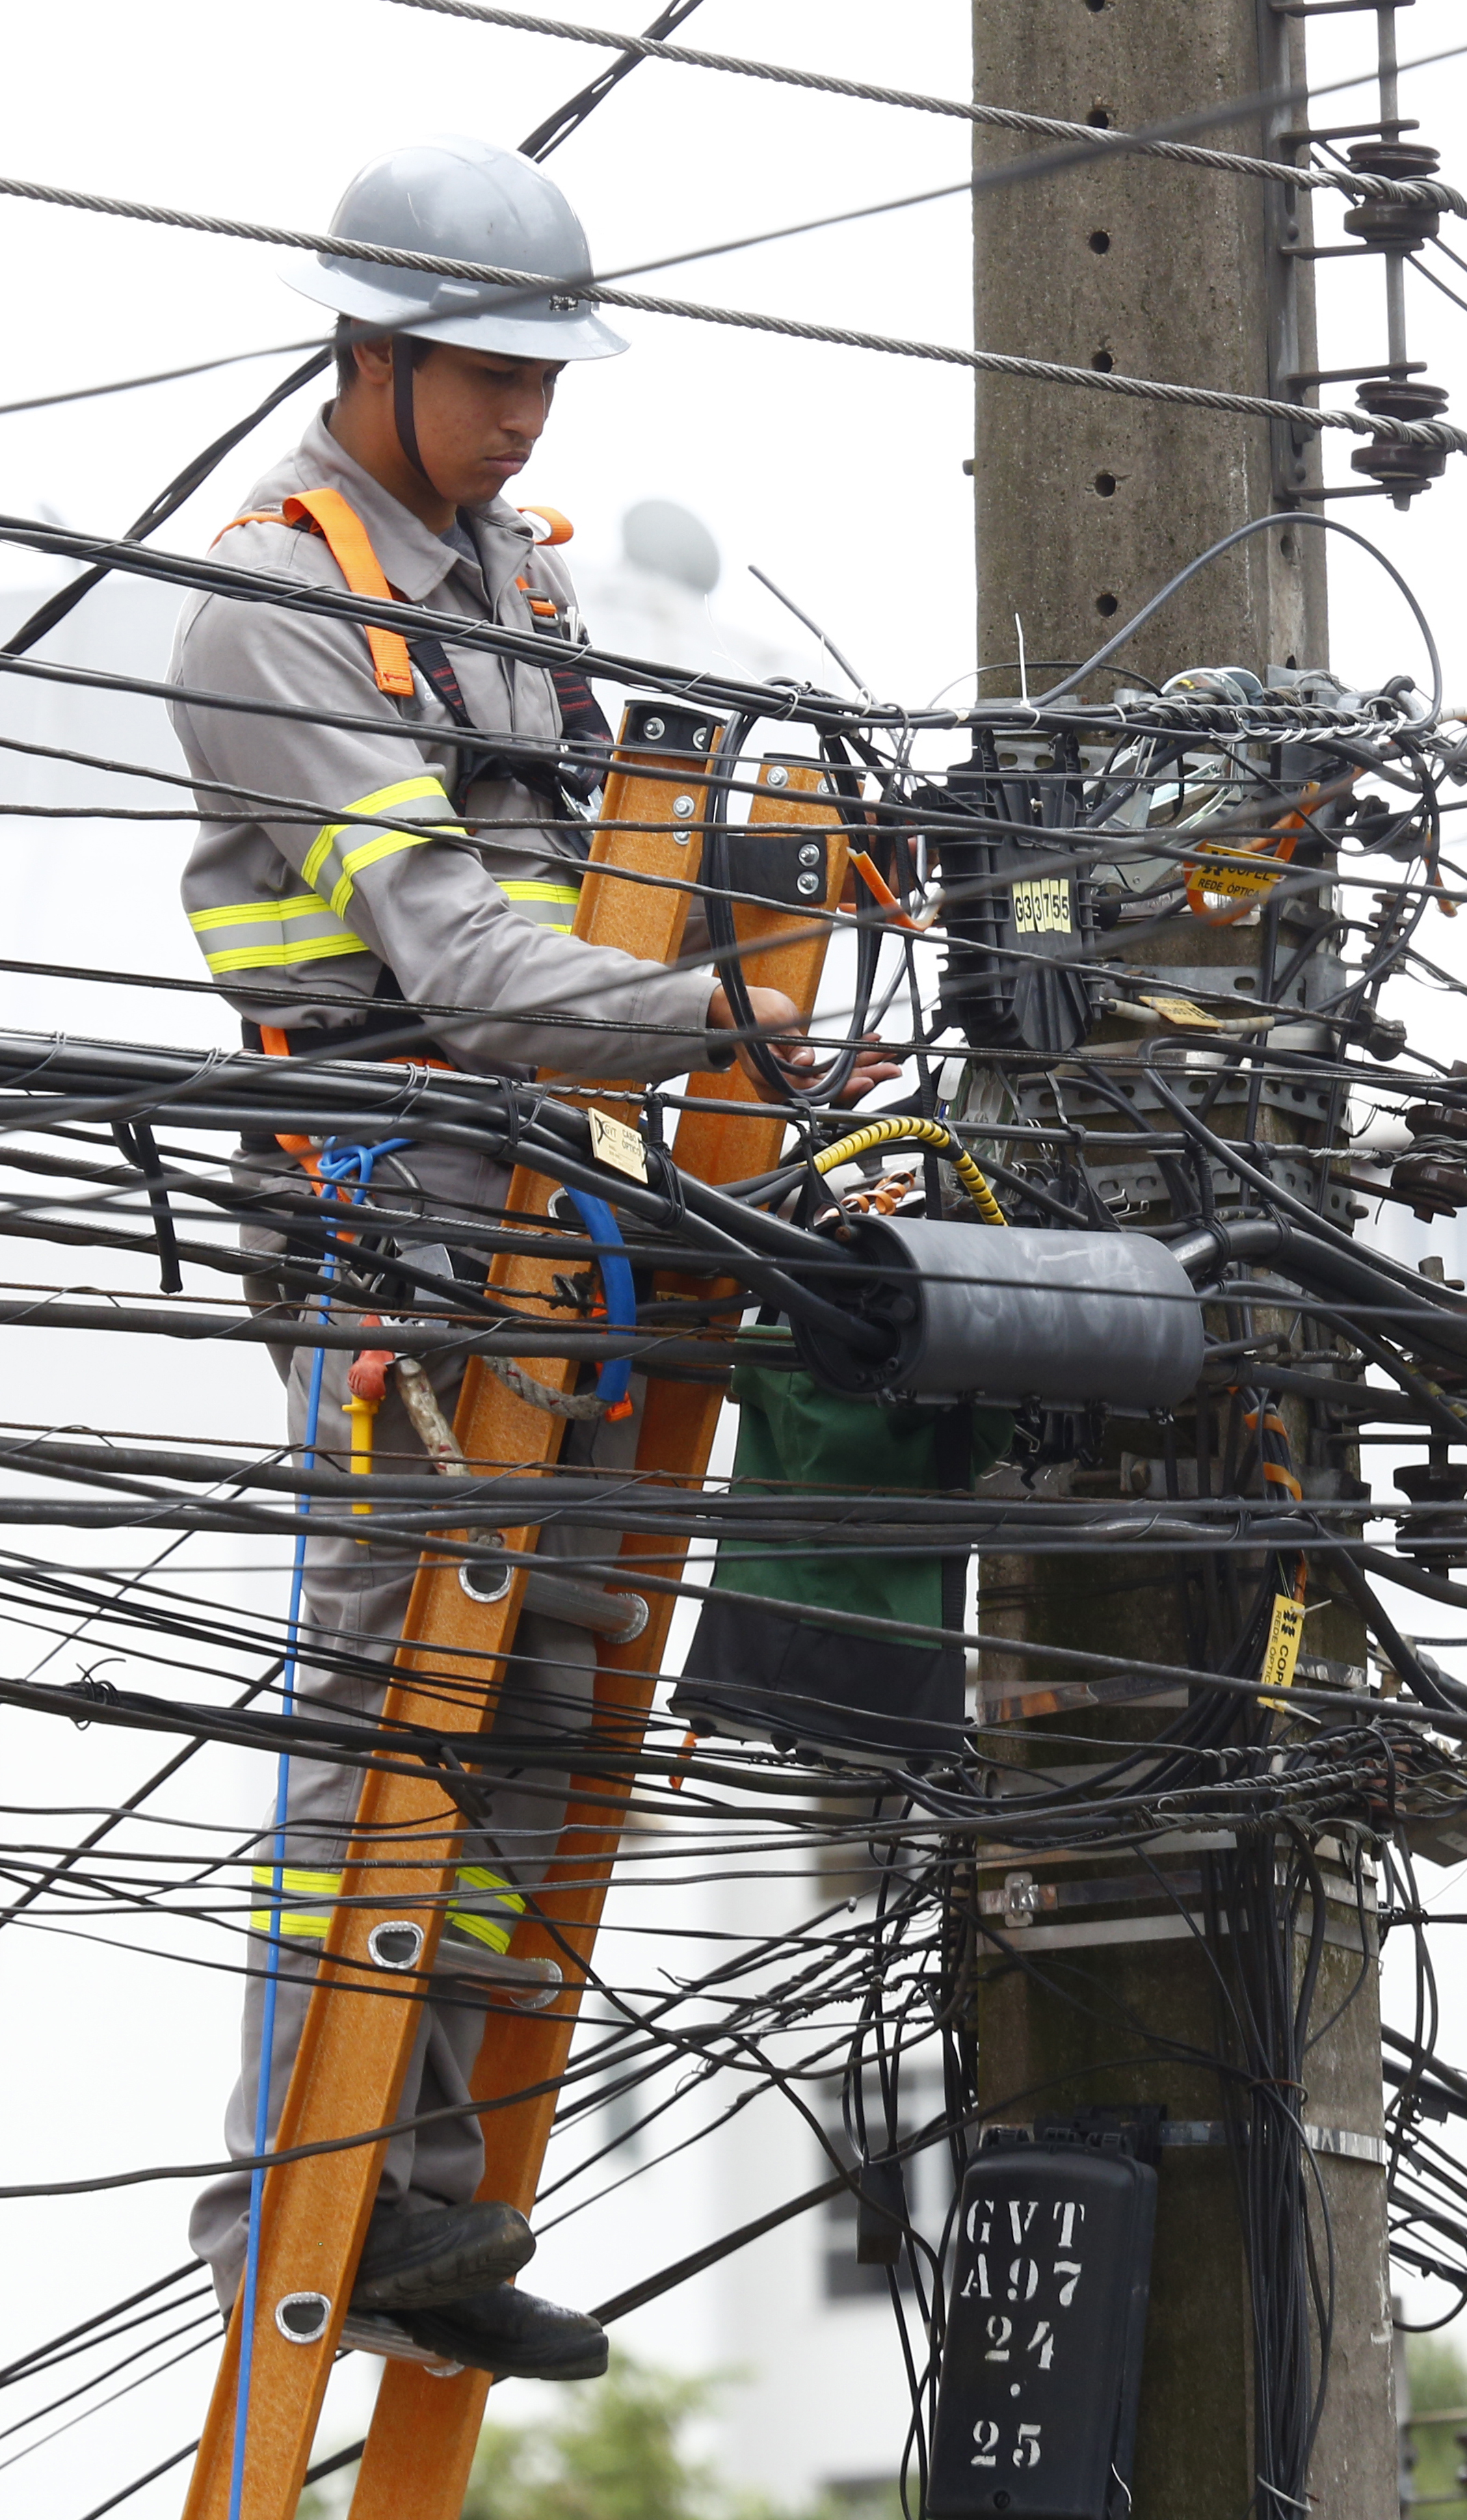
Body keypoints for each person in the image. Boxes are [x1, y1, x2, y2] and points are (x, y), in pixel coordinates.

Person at [171, 135, 867, 2382]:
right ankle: (303, 2199)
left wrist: (811, 876)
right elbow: (468, 959)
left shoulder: (522, 586)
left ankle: (437, 2213)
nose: (523, 419)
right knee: (398, 1718)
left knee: (551, 1700)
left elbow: (615, 885)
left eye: (544, 382)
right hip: (404, 1216)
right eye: (484, 378)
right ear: (368, 357)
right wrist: (732, 1008)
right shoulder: (273, 608)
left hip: (560, 1217)